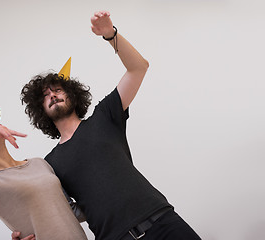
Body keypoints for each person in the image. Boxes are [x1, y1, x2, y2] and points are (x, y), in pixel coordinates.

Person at [16, 10, 201, 240]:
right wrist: (31, 232)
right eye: (45, 95)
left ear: (72, 94)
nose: (52, 95)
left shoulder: (105, 115)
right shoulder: (49, 164)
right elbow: (60, 213)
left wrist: (110, 34)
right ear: (40, 109)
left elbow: (138, 68)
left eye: (57, 89)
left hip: (162, 222)